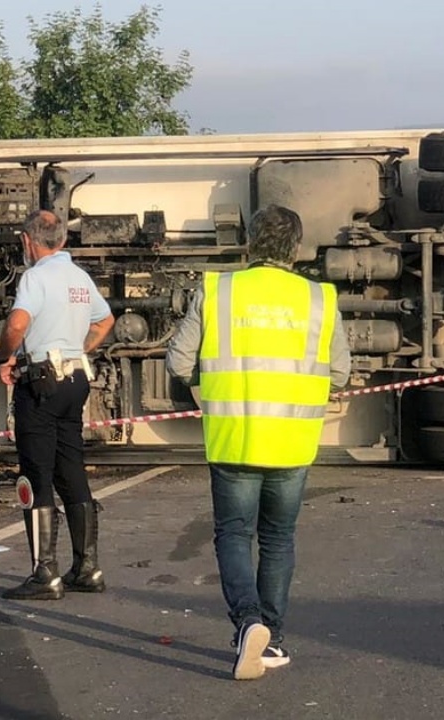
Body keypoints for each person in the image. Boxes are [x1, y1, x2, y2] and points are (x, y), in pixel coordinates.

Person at [166, 204, 350, 680]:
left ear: (250, 243)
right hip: (292, 440)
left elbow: (178, 360)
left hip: (233, 437)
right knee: (278, 538)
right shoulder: (319, 298)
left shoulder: (218, 290)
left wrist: (208, 382)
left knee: (233, 533)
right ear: (296, 247)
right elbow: (342, 372)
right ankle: (272, 636)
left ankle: (247, 621)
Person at [0, 210, 115, 601]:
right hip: (76, 380)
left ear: (28, 241)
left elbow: (16, 324)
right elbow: (105, 321)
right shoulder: (80, 278)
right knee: (70, 467)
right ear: (62, 240)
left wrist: (5, 357)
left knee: (36, 473)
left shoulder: (35, 276)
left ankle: (44, 571)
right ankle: (87, 566)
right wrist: (76, 350)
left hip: (42, 381)